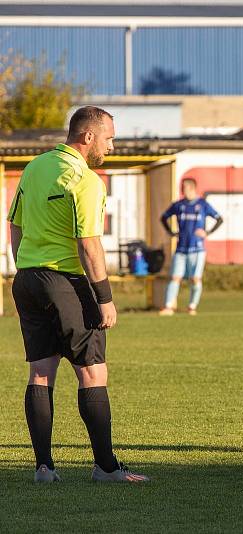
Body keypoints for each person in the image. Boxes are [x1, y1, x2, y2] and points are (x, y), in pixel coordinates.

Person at [7, 106, 148, 483]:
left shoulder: (35, 167)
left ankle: (43, 468)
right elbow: (89, 245)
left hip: (28, 280)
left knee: (40, 373)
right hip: (66, 282)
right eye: (109, 138)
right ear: (88, 136)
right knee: (92, 372)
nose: (112, 146)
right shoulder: (85, 179)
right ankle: (105, 467)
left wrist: (26, 268)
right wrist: (105, 297)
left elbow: (14, 224)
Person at [158, 178, 222, 316]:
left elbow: (219, 219)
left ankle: (192, 306)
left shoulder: (202, 204)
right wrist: (170, 232)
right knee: (175, 277)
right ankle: (169, 307)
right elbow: (163, 217)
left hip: (197, 249)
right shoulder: (179, 205)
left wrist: (208, 232)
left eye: (184, 187)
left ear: (192, 188)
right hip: (181, 248)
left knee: (195, 278)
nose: (182, 190)